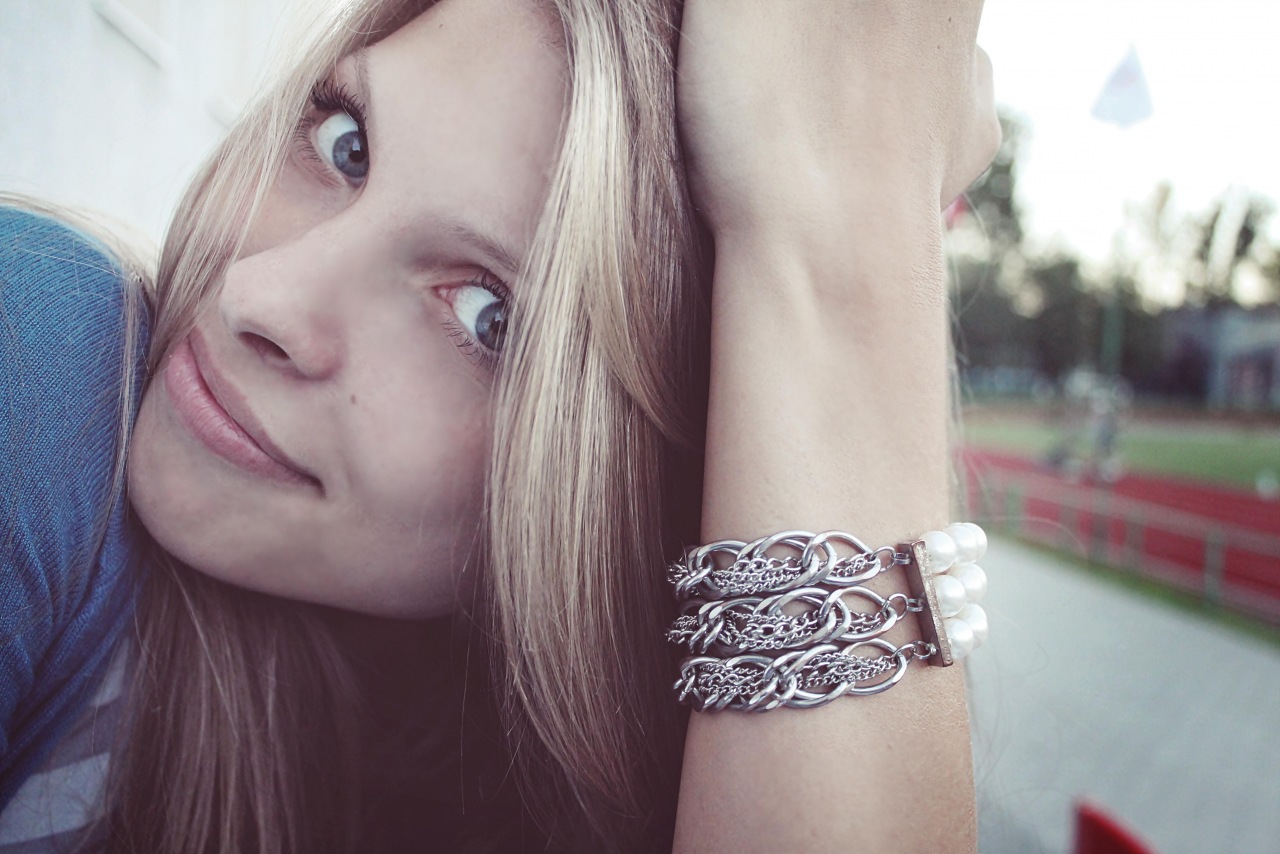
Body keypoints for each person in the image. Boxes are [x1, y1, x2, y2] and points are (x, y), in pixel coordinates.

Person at [0, 0, 998, 851]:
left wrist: (840, 235)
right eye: (346, 144)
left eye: (490, 315)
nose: (259, 295)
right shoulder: (47, 360)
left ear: (663, 498)